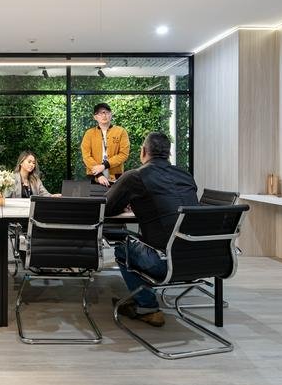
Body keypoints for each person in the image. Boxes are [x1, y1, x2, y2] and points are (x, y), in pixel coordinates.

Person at [105, 132, 198, 327]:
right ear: (169, 153)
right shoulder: (186, 176)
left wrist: (126, 201)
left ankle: (147, 307)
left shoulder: (136, 176)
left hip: (164, 262)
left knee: (123, 246)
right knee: (148, 237)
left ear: (143, 151)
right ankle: (144, 295)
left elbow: (107, 207)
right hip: (199, 259)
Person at [81, 102, 130, 187]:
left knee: (115, 200)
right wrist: (99, 175)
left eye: (107, 112)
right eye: (100, 113)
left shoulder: (121, 132)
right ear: (95, 117)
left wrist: (104, 166)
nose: (104, 115)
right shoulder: (89, 133)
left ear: (111, 114)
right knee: (94, 200)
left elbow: (123, 154)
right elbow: (86, 156)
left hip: (115, 177)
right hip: (94, 177)